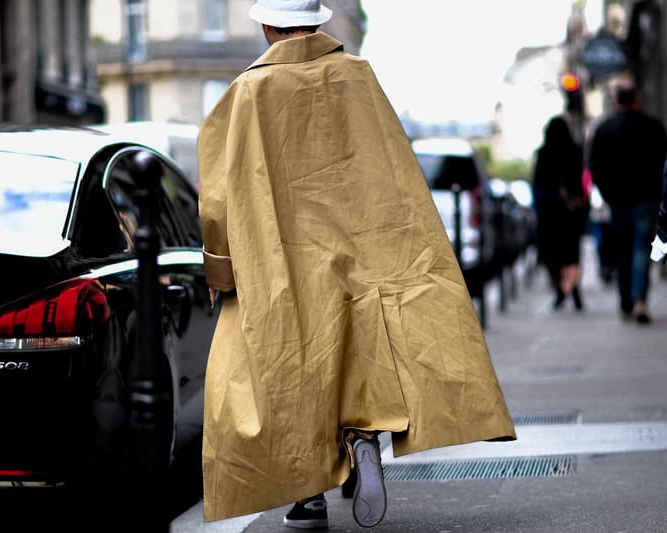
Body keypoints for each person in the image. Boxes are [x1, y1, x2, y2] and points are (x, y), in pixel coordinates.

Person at [198, 1, 516, 529]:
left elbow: (218, 198)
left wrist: (222, 269)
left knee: (293, 364)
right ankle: (364, 438)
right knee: (357, 353)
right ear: (318, 22)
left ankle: (311, 496)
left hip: (283, 256)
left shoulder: (250, 92)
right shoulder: (358, 76)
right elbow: (393, 163)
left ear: (268, 25)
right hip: (364, 242)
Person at [589, 83, 667, 323]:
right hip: (647, 198)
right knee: (642, 248)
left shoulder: (604, 129)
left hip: (619, 199)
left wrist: (608, 193)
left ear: (616, 102)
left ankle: (626, 301)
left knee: (623, 249)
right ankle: (640, 300)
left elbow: (595, 167)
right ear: (637, 100)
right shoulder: (654, 127)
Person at [531, 115, 589, 310]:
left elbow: (537, 186)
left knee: (553, 255)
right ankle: (574, 289)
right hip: (572, 212)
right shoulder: (576, 152)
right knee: (572, 254)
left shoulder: (543, 153)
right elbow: (583, 182)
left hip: (550, 214)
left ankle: (560, 291)